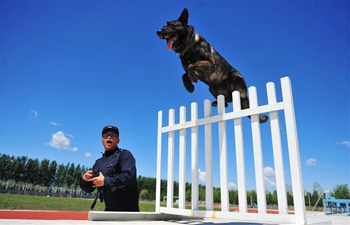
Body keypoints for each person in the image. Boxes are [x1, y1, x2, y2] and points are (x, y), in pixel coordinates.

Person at [80, 125, 139, 211]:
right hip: (109, 210)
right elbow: (89, 189)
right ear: (102, 140)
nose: (109, 136)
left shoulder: (125, 155)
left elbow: (130, 176)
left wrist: (105, 181)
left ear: (118, 140)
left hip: (129, 211)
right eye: (106, 135)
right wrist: (84, 180)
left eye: (113, 135)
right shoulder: (98, 163)